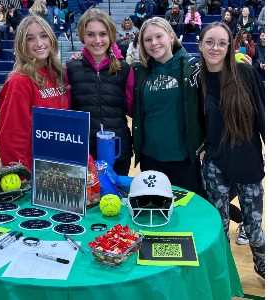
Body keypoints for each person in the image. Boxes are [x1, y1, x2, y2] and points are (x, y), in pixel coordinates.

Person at [198, 21, 265, 279]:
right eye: (210, 42)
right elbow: (196, 120)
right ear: (201, 45)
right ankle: (223, 270)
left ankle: (262, 264)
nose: (215, 47)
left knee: (253, 225)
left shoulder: (245, 74)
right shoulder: (197, 78)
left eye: (222, 43)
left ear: (229, 47)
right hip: (215, 161)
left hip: (247, 159)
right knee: (219, 223)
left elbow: (262, 113)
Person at [132, 17, 204, 194]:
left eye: (159, 36)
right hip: (150, 159)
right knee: (155, 215)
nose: (154, 43)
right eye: (148, 40)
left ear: (171, 37)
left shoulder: (192, 68)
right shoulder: (138, 71)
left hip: (184, 159)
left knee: (187, 215)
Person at [65, 8, 134, 176]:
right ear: (82, 36)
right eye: (90, 34)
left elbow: (134, 110)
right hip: (82, 154)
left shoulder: (124, 69)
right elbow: (65, 112)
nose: (97, 40)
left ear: (110, 35)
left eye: (103, 34)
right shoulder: (71, 68)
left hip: (117, 153)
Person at [0, 15, 69, 171]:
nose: (39, 43)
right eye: (31, 39)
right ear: (22, 45)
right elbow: (11, 137)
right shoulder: (20, 81)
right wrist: (22, 175)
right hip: (32, 170)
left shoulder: (59, 74)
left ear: (51, 38)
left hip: (56, 165)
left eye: (43, 36)